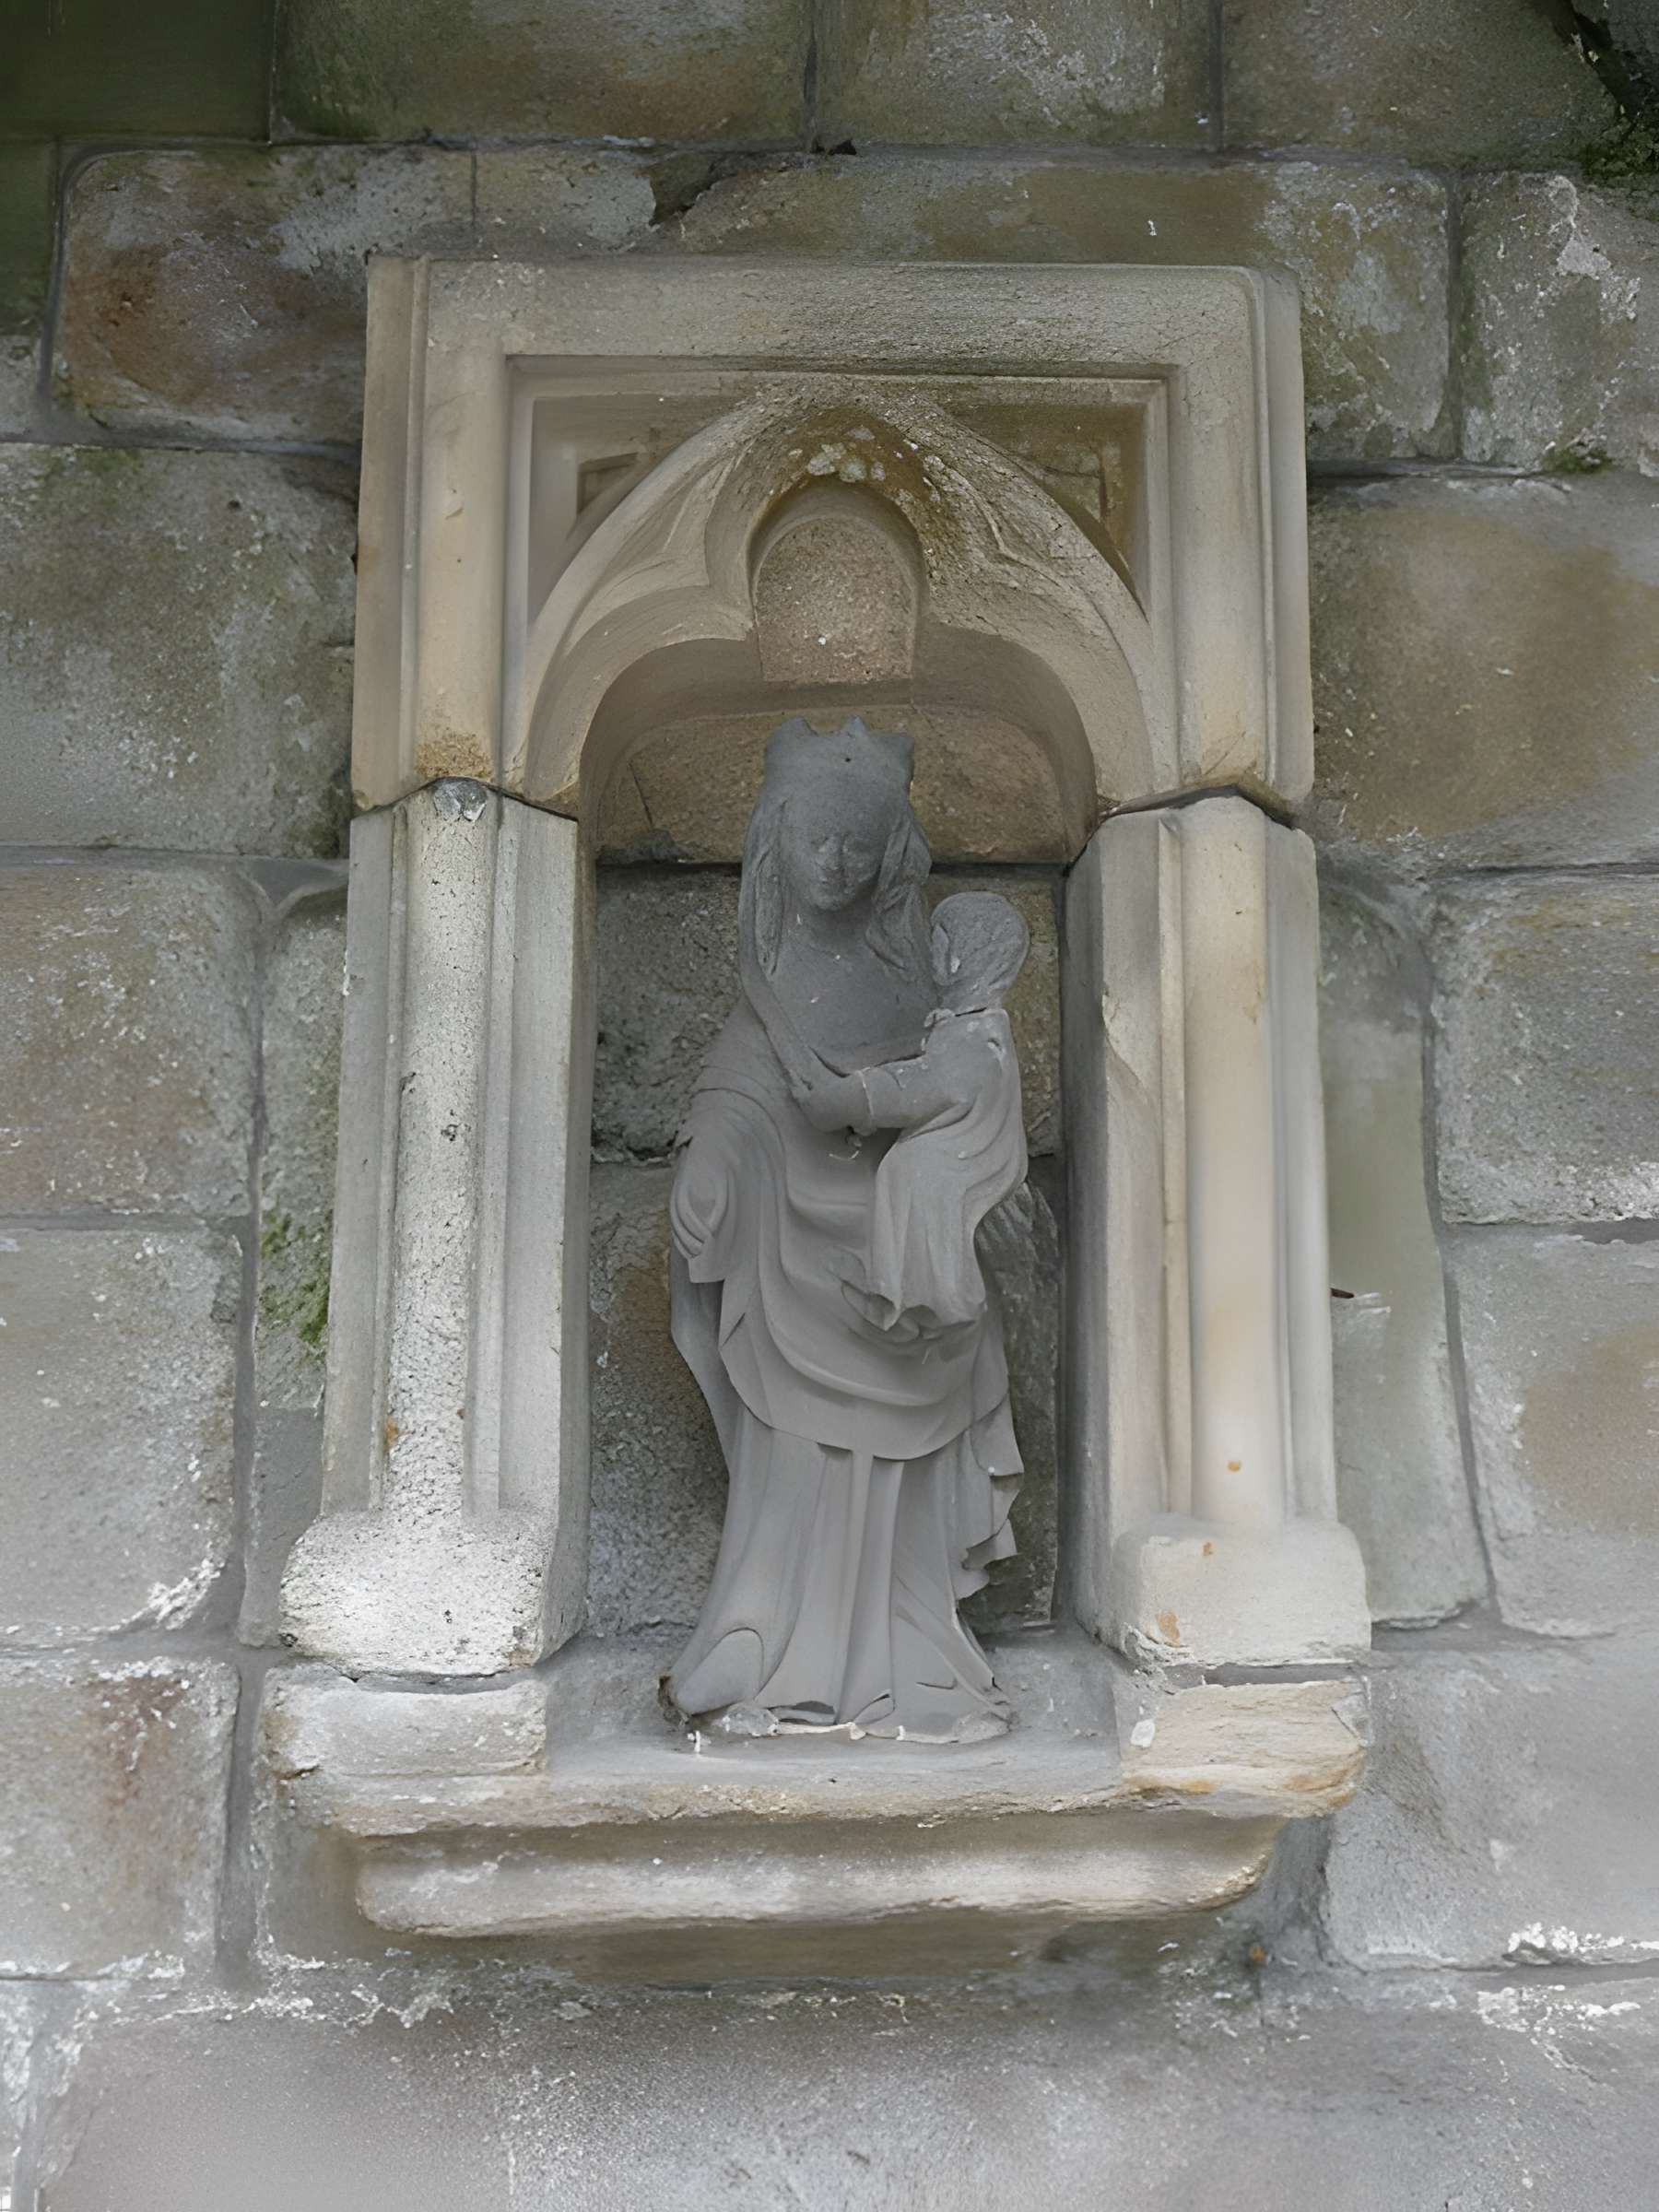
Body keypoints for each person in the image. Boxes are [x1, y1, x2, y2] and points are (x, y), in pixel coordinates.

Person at [665, 718, 1024, 1743]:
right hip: (790, 1259)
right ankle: (763, 1641)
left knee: (899, 1472)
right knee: (793, 1461)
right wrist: (710, 1170)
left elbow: (953, 1099)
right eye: (816, 837)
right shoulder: (768, 991)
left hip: (896, 1270)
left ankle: (908, 1652)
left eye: (857, 843)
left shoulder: (932, 993)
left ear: (890, 857)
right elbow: (737, 1098)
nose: (833, 861)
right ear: (776, 840)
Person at [792, 891, 1030, 1349]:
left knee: (919, 1177)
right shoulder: (963, 1024)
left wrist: (862, 1098)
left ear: (971, 955)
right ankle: (897, 1299)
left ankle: (945, 1304)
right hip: (952, 1146)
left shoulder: (978, 1034)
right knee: (903, 1169)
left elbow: (927, 1086)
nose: (932, 954)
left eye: (940, 943)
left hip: (969, 1155)